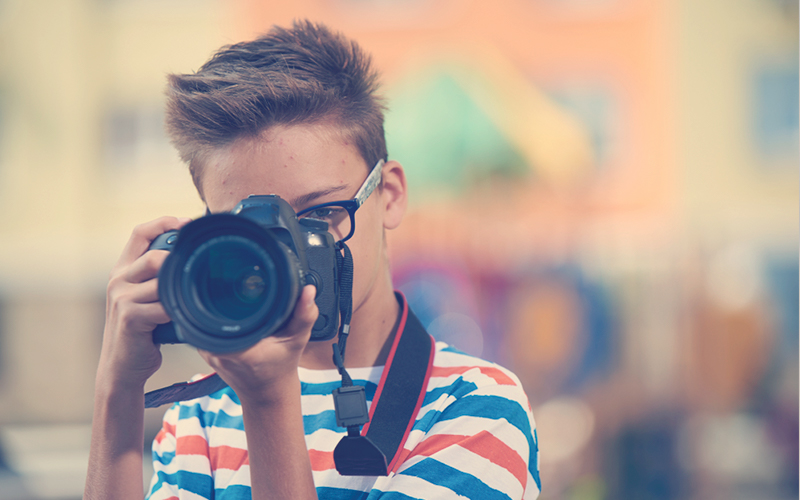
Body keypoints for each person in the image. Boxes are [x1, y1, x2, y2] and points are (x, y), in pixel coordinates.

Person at [84, 20, 540, 500]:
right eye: (252, 229)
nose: (287, 252)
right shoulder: (201, 413)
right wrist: (117, 392)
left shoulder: (476, 407)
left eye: (319, 215)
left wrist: (267, 400)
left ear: (388, 194)